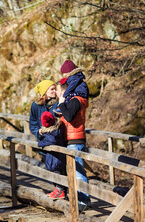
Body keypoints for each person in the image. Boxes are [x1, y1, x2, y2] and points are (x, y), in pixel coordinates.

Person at [56, 80, 91, 210]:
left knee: (79, 172)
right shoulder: (70, 101)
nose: (56, 93)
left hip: (75, 140)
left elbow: (69, 116)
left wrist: (61, 104)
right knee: (76, 171)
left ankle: (83, 200)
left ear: (63, 91)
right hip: (71, 139)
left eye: (58, 90)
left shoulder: (74, 101)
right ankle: (83, 198)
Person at [29, 80, 66, 199]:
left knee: (58, 167)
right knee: (50, 168)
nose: (55, 91)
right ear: (45, 92)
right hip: (44, 142)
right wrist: (38, 132)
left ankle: (62, 191)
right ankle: (58, 190)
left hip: (56, 141)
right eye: (52, 89)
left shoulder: (57, 104)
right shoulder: (36, 106)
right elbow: (33, 123)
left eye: (55, 88)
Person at [38, 111, 67, 199]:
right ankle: (59, 190)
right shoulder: (57, 128)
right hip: (56, 157)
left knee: (56, 173)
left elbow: (51, 141)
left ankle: (60, 191)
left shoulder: (52, 133)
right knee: (57, 173)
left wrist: (40, 143)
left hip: (55, 158)